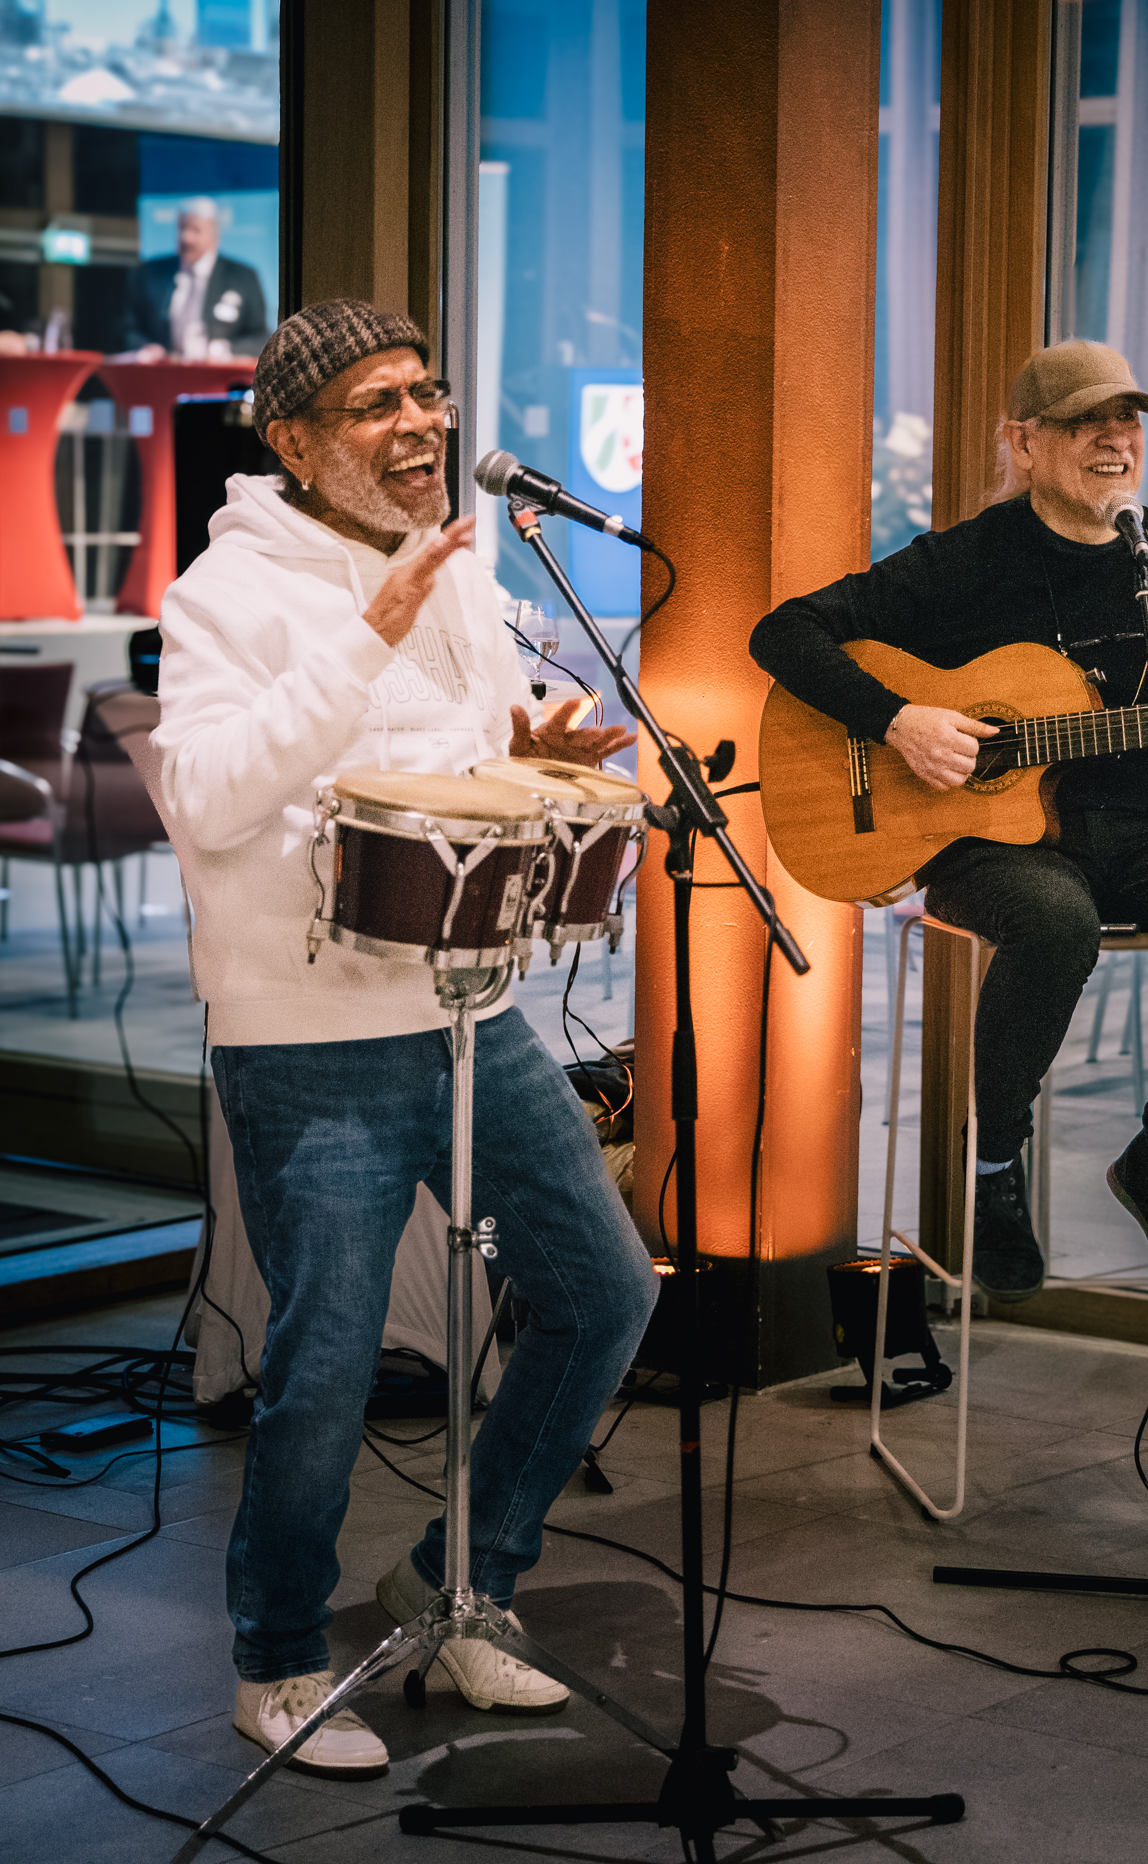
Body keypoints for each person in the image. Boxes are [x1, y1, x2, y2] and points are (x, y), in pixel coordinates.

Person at [153, 299, 657, 1778]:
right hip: (308, 1033)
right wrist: (363, 637)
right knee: (322, 1364)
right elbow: (208, 799)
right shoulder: (223, 592)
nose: (423, 422)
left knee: (603, 1292)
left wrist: (530, 747)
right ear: (295, 440)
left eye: (427, 392)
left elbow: (455, 761)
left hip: (472, 1009)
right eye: (378, 404)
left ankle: (459, 1588)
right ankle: (277, 1657)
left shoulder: (459, 568)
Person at [750, 340, 1148, 1306]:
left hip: (1141, 835)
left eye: (1127, 419)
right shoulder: (966, 561)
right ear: (1022, 444)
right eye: (1083, 421)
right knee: (1058, 920)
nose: (1114, 438)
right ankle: (995, 1166)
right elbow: (783, 632)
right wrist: (898, 721)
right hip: (981, 841)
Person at [121, 198, 269, 361]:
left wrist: (224, 349)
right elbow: (128, 327)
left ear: (214, 234)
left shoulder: (242, 277)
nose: (186, 237)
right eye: (182, 227)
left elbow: (260, 337)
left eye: (196, 230)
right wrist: (146, 347)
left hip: (217, 372)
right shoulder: (150, 273)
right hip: (164, 370)